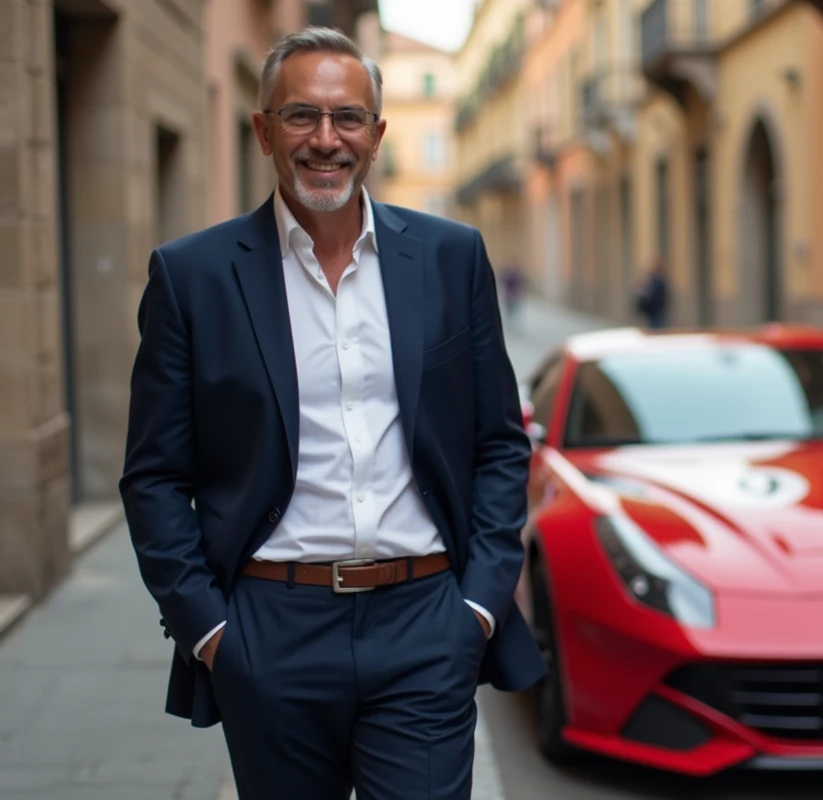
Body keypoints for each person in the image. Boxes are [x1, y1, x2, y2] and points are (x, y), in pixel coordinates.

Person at [118, 27, 545, 800]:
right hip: (268, 628)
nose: (326, 140)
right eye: (300, 117)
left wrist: (477, 607)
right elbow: (153, 475)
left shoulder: (452, 259)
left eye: (348, 117)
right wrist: (213, 633)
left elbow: (498, 443)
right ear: (262, 130)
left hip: (425, 622)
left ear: (377, 134)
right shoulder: (193, 277)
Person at [635, 257, 669, 329]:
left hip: (656, 312)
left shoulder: (658, 282)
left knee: (656, 328)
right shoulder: (652, 281)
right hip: (652, 312)